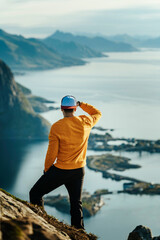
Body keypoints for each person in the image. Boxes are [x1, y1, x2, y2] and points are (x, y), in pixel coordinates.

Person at [29, 95, 102, 229]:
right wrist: (82, 104)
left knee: (35, 194)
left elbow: (52, 153)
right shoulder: (85, 122)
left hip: (61, 170)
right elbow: (97, 113)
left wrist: (47, 170)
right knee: (76, 204)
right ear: (75, 109)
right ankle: (80, 233)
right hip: (79, 170)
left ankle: (42, 225)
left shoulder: (57, 127)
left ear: (61, 109)